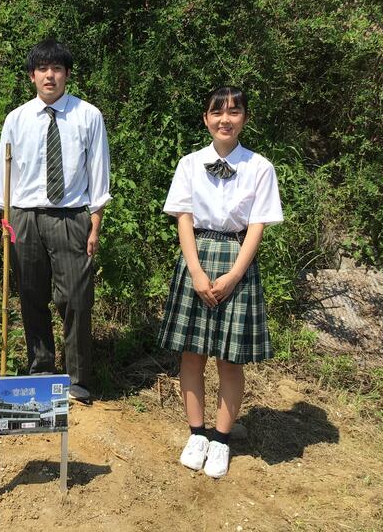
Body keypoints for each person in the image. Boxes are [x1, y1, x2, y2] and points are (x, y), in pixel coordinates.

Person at [157, 86, 283, 478]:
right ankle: (197, 433)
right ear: (206, 119)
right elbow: (183, 218)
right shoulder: (189, 164)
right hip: (196, 257)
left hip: (237, 261)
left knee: (230, 359)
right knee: (191, 354)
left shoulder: (260, 167)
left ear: (245, 118)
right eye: (217, 112)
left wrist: (235, 274)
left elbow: (258, 224)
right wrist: (195, 271)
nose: (225, 119)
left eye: (233, 111)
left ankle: (222, 439)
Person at [0, 39, 111, 405]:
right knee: (31, 296)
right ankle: (40, 368)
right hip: (24, 217)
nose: (49, 76)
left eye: (56, 69)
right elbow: (5, 177)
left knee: (76, 297)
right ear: (32, 75)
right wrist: (6, 220)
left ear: (67, 74)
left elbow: (99, 172)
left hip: (71, 216)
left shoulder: (88, 115)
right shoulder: (16, 119)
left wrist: (95, 222)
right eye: (42, 69)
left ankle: (77, 378)